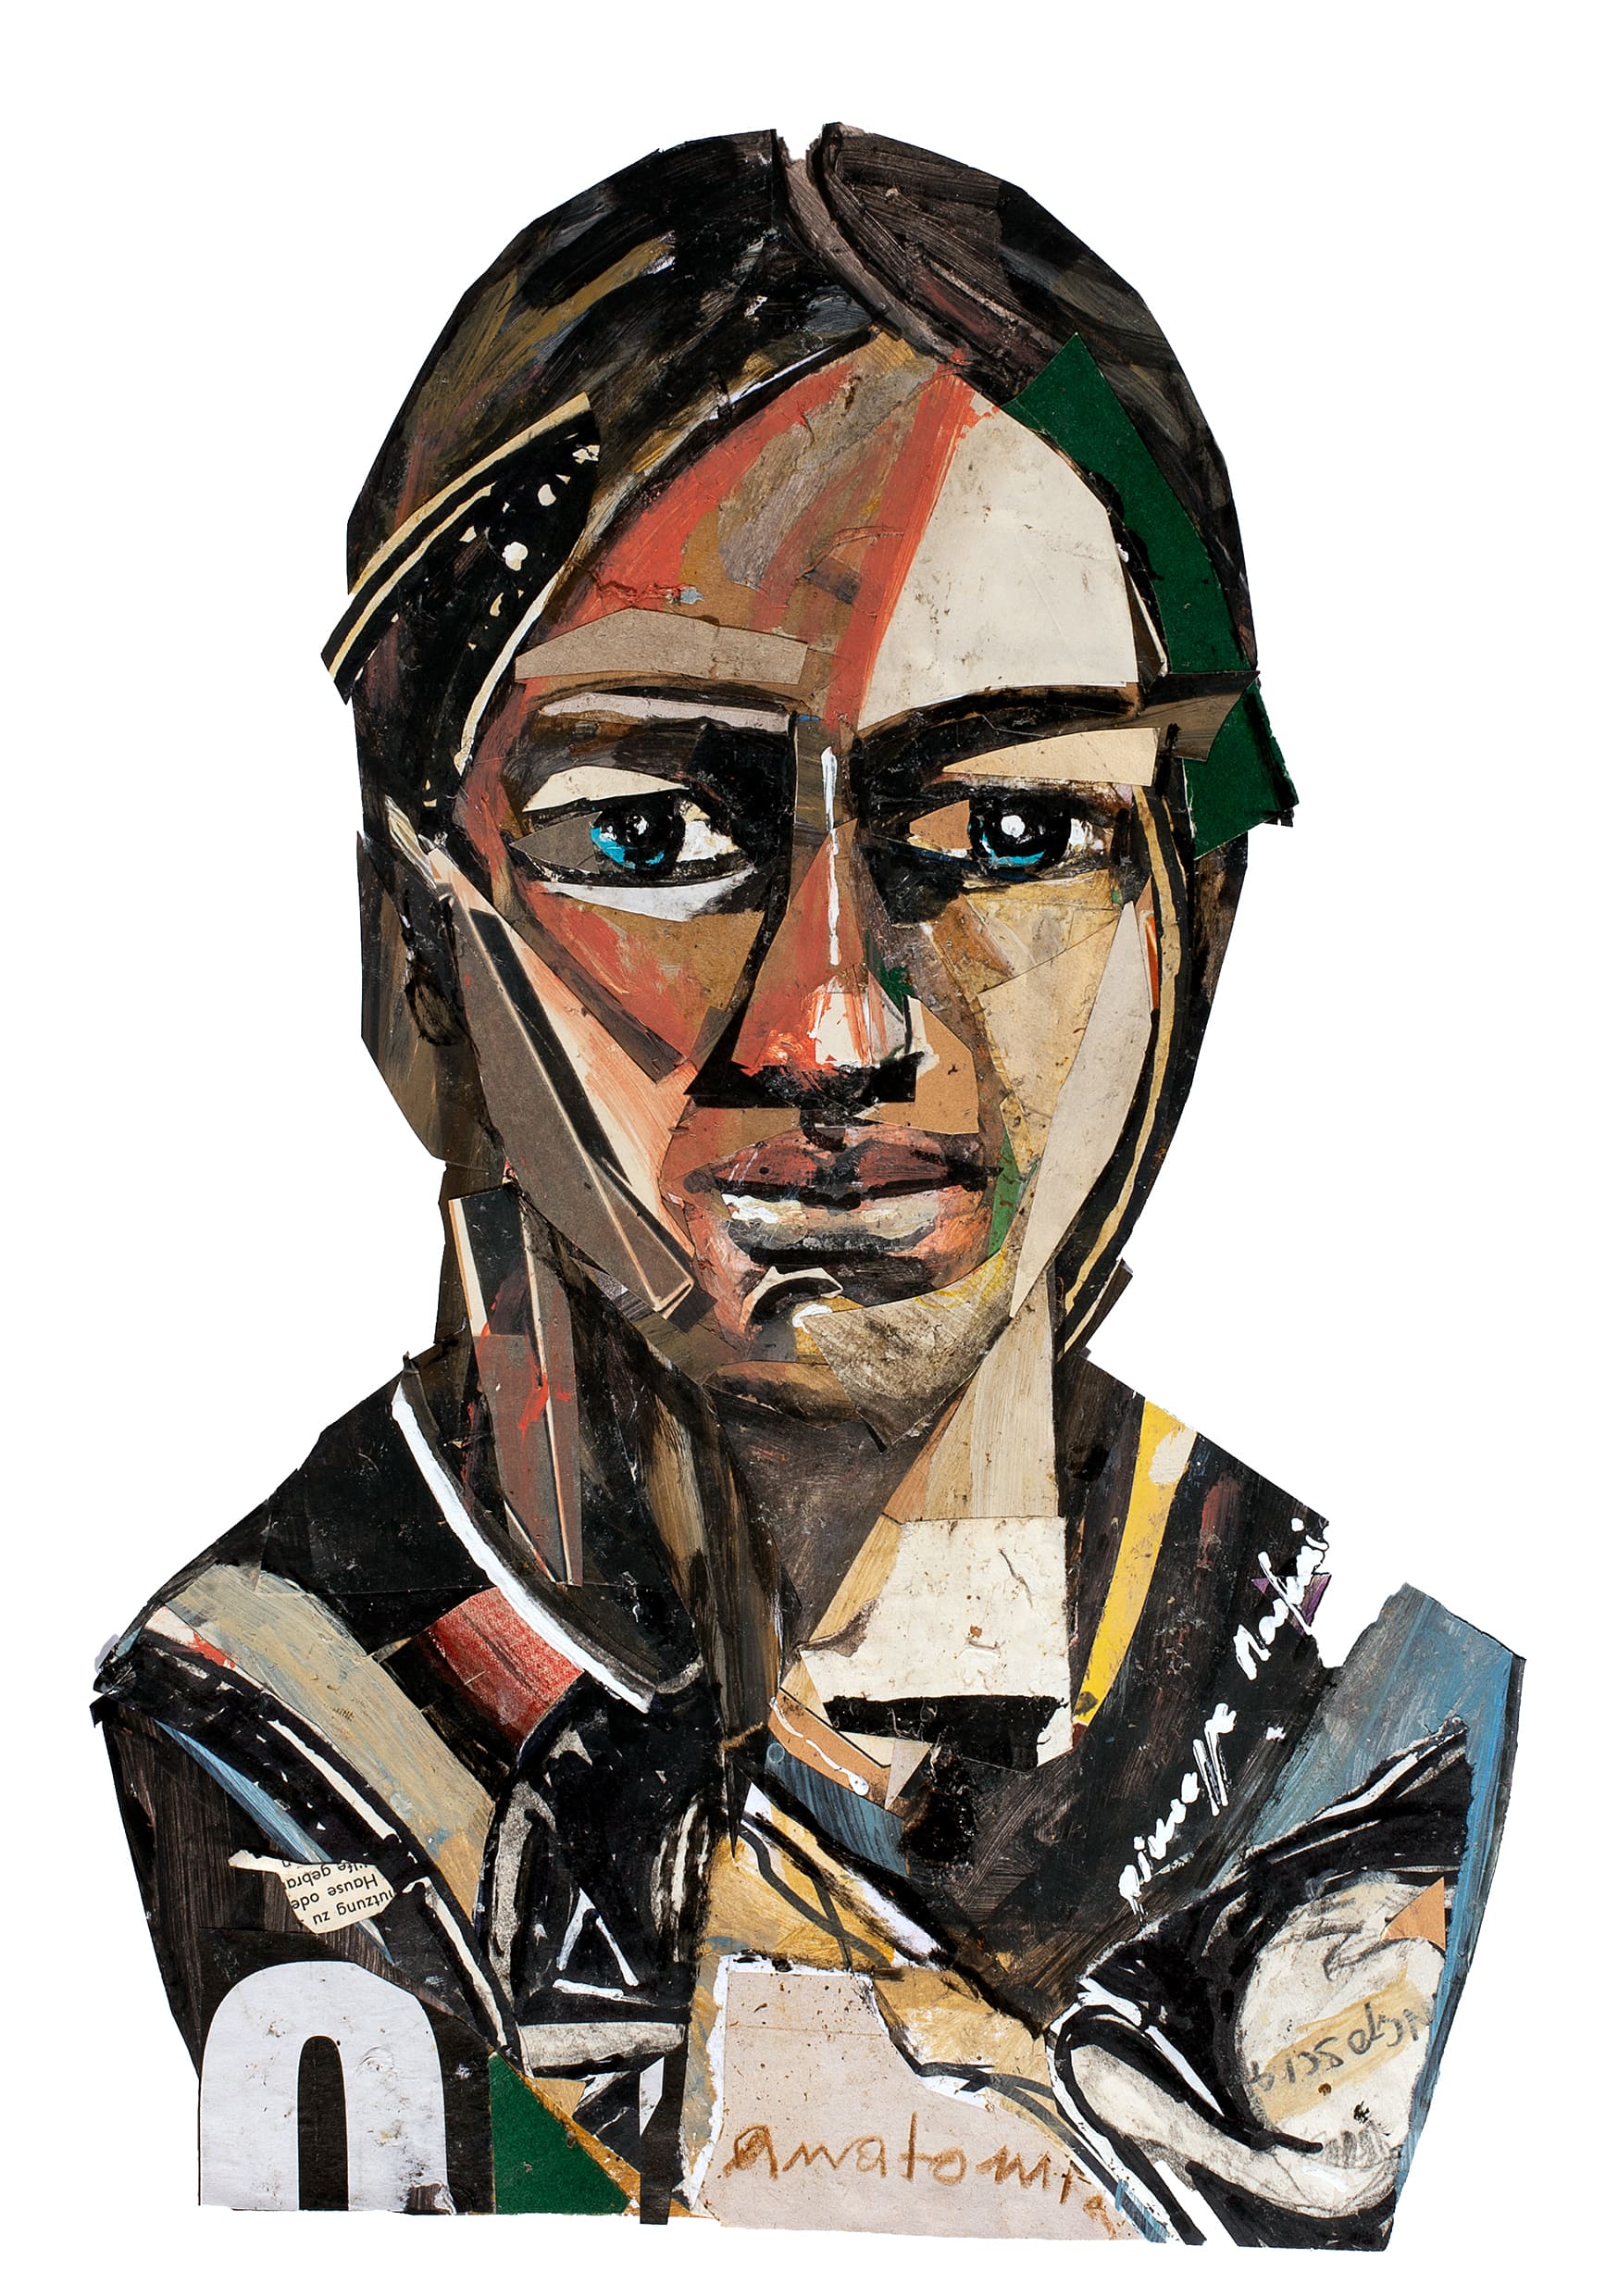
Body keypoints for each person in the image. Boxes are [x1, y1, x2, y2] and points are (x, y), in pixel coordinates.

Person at [95, 125, 1517, 2243]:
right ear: (412, 942)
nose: (835, 1024)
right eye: (655, 836)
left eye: (1014, 832)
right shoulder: (258, 1718)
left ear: (1190, 906)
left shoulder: (1363, 1736)